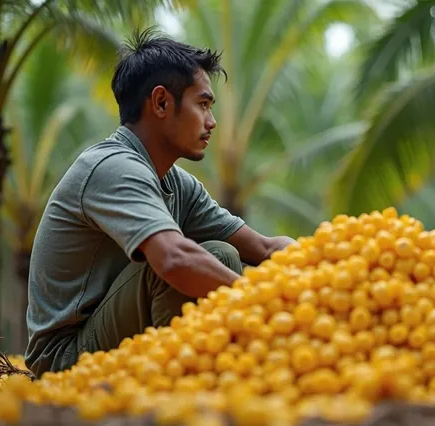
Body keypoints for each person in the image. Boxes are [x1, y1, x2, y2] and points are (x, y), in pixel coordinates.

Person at [24, 28, 296, 378]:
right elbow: (173, 259)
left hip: (108, 335)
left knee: (224, 253)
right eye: (203, 104)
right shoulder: (113, 168)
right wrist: (263, 306)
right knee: (203, 259)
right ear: (162, 103)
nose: (211, 122)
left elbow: (263, 247)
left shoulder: (176, 183)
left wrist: (318, 270)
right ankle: (185, 389)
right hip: (63, 357)